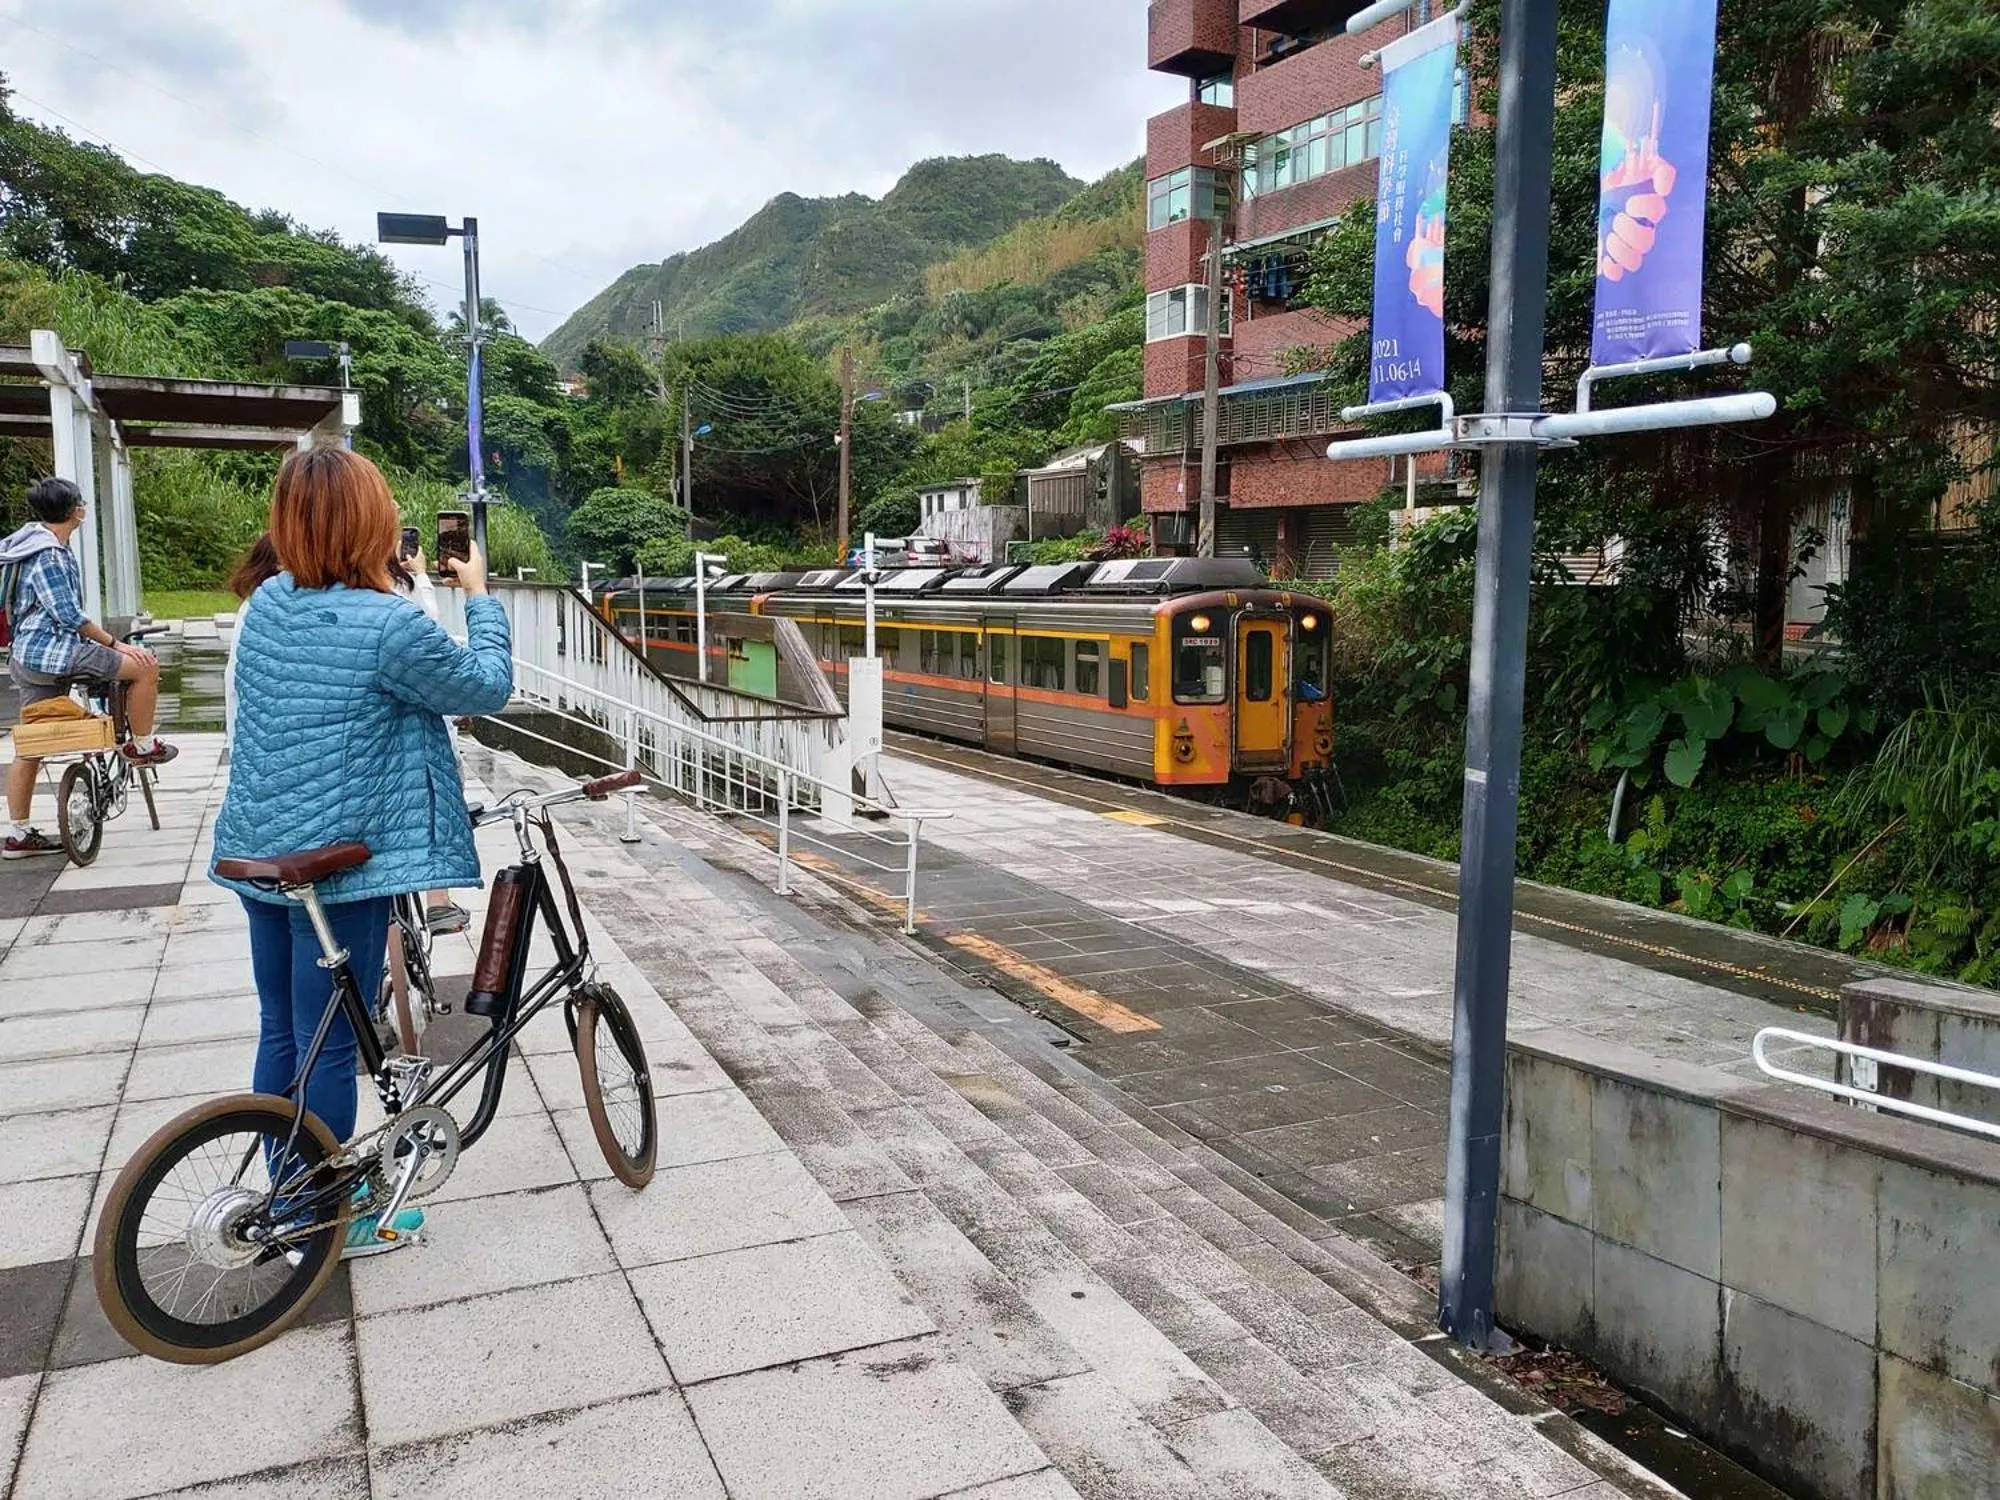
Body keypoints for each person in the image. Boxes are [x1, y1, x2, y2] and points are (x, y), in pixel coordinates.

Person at [212, 448, 512, 1257]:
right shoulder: (389, 624)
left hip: (258, 850)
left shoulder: (269, 602)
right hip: (336, 866)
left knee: (284, 1030)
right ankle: (318, 1221)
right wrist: (480, 597)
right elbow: (485, 686)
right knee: (330, 1042)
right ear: (371, 523)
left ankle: (287, 1193)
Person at [3, 477, 176, 859]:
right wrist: (114, 643)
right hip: (53, 652)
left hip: (28, 657)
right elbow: (68, 615)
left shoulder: (34, 543)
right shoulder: (48, 554)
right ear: (74, 511)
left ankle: (18, 834)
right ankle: (141, 745)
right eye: (81, 503)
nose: (84, 508)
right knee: (144, 667)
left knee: (32, 742)